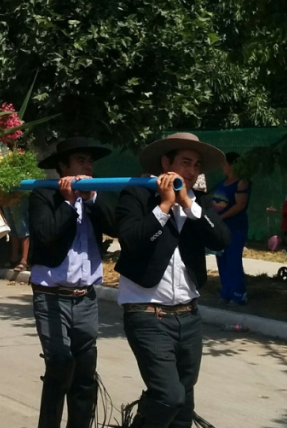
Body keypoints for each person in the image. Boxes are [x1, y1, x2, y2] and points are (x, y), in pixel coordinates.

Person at [115, 133, 231, 428]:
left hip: (188, 315)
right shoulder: (137, 194)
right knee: (169, 396)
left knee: (183, 406)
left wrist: (190, 207)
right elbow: (131, 241)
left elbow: (221, 239)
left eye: (197, 165)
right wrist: (164, 207)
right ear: (166, 163)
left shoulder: (198, 202)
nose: (191, 171)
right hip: (147, 313)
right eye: (185, 162)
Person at [28, 137, 116, 428]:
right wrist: (68, 203)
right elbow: (45, 234)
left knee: (84, 372)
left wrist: (90, 200)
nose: (88, 167)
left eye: (90, 161)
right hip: (51, 295)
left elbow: (115, 227)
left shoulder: (95, 197)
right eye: (80, 161)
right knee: (60, 365)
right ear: (63, 167)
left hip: (86, 297)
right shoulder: (44, 194)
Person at [212, 152, 251, 305]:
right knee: (222, 259)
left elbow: (239, 205)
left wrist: (221, 217)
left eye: (225, 163)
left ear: (233, 165)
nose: (223, 167)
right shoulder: (224, 182)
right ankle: (226, 292)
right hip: (220, 229)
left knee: (233, 260)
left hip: (235, 228)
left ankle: (238, 294)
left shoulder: (242, 183)